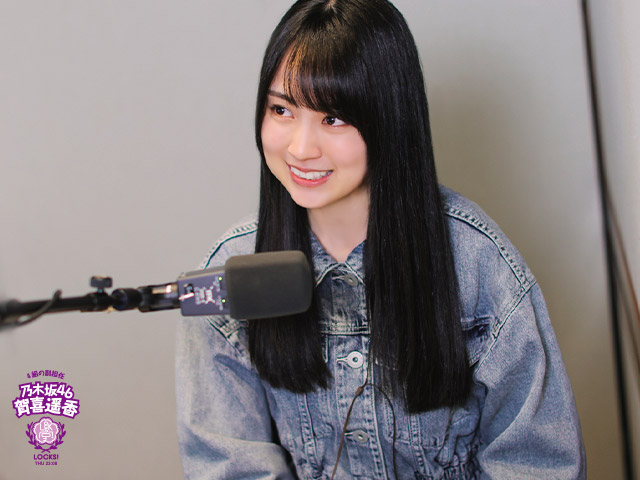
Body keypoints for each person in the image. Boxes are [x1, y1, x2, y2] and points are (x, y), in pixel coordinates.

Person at [175, 0, 586, 478]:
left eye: (333, 118)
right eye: (281, 109)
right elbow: (229, 466)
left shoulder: (479, 264)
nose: (300, 148)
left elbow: (536, 463)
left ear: (390, 117)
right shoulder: (229, 276)